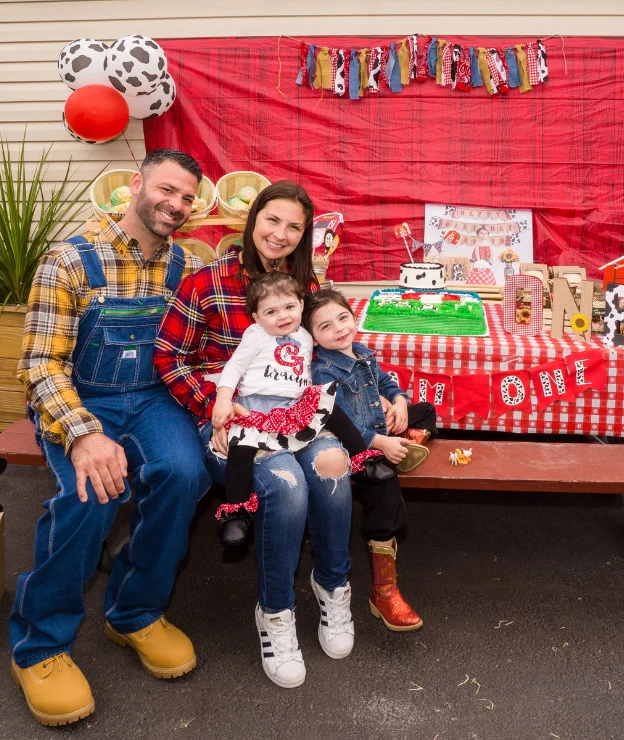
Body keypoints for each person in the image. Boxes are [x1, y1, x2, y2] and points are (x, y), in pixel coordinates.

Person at [10, 149, 212, 726]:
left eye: (186, 199)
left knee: (185, 473)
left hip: (150, 397)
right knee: (92, 488)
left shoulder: (183, 268)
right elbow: (40, 364)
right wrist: (82, 436)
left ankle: (134, 612)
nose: (175, 205)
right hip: (80, 397)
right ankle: (40, 644)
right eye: (166, 190)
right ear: (136, 185)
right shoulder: (69, 261)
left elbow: (191, 349)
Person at [154, 181, 356, 689]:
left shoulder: (303, 290)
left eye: (294, 227)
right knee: (285, 483)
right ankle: (276, 612)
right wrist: (217, 410)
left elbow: (327, 354)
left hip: (297, 414)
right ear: (253, 218)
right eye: (273, 220)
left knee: (334, 466)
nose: (281, 234)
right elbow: (168, 359)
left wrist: (382, 393)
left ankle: (333, 585)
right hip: (229, 421)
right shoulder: (205, 282)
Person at [212, 271, 392, 546]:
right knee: (242, 446)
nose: (283, 316)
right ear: (257, 317)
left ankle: (364, 461)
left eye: (290, 307)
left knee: (329, 404)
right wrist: (224, 398)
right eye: (271, 311)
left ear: (300, 305)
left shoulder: (307, 335)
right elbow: (234, 367)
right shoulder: (256, 335)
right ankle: (237, 512)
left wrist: (381, 393)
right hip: (258, 407)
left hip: (294, 406)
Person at [303, 287, 437, 632]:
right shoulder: (323, 371)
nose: (339, 329)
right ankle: (384, 590)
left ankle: (405, 444)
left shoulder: (361, 352)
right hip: (354, 445)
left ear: (353, 316)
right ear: (314, 338)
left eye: (343, 318)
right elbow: (340, 420)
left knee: (427, 410)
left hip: (381, 427)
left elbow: (385, 381)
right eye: (325, 326)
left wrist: (399, 404)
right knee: (383, 487)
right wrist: (379, 441)